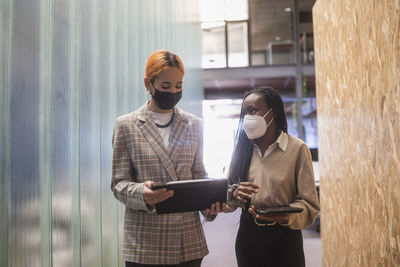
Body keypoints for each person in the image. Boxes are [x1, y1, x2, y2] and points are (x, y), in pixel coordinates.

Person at [111, 49, 223, 267]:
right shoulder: (126, 126)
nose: (173, 91)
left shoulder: (195, 125)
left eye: (178, 86)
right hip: (144, 241)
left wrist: (209, 204)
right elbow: (118, 183)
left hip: (187, 241)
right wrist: (141, 193)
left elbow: (199, 175)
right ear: (148, 84)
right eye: (165, 86)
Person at [225, 86, 320, 267]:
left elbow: (310, 206)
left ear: (273, 111)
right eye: (245, 113)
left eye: (253, 110)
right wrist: (234, 193)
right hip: (248, 237)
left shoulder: (297, 149)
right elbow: (226, 199)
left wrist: (284, 216)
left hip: (285, 238)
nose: (248, 118)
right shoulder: (241, 151)